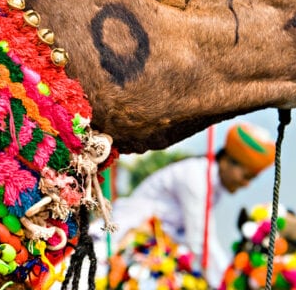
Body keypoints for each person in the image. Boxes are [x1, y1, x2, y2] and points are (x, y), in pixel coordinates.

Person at [91, 121, 276, 288]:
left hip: (159, 249)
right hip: (123, 243)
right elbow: (200, 241)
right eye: (246, 176)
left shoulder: (213, 186)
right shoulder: (196, 177)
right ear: (227, 161)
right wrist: (229, 282)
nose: (246, 185)